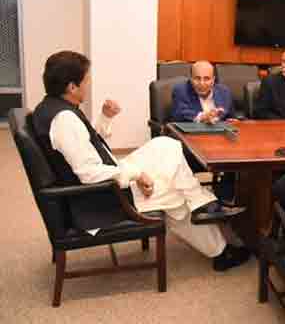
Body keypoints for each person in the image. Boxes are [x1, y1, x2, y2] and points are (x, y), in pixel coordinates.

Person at [32, 51, 249, 271]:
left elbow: (87, 144)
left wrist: (105, 117)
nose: (89, 84)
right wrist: (136, 174)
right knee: (176, 194)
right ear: (72, 87)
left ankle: (202, 202)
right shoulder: (65, 120)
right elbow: (88, 172)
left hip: (108, 173)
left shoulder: (53, 108)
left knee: (166, 144)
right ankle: (220, 250)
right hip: (101, 197)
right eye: (87, 80)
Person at [171, 61, 238, 201]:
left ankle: (225, 197)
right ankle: (192, 198)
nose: (202, 83)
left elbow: (231, 116)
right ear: (191, 78)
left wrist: (233, 120)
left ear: (213, 79)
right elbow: (180, 113)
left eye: (206, 79)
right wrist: (202, 117)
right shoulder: (180, 90)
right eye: (197, 78)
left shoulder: (224, 92)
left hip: (220, 143)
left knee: (238, 154)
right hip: (192, 143)